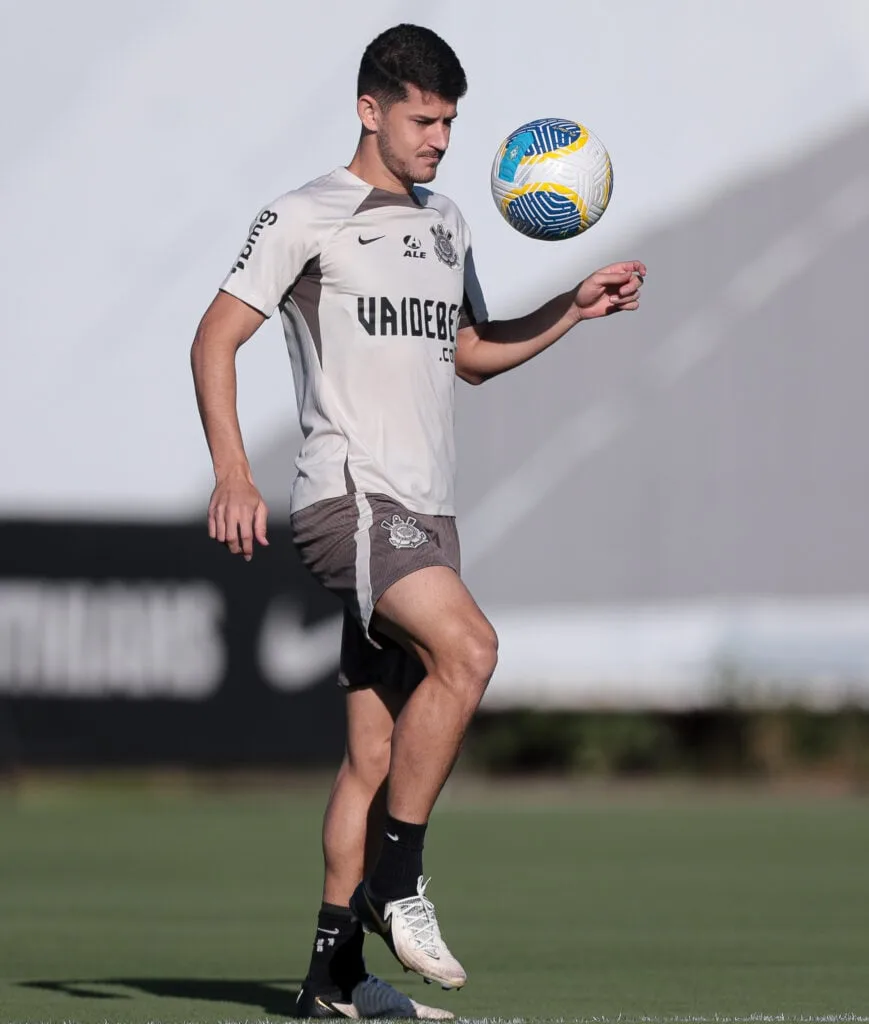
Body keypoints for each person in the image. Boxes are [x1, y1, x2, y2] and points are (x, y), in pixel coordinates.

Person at [191, 22, 645, 1020]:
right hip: (351, 503)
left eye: (448, 121)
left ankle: (331, 979)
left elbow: (471, 354)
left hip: (425, 515)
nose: (440, 139)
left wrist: (570, 306)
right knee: (471, 650)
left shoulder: (447, 222)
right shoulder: (305, 215)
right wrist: (232, 470)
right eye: (423, 118)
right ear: (370, 109)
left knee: (371, 752)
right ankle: (397, 881)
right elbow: (214, 339)